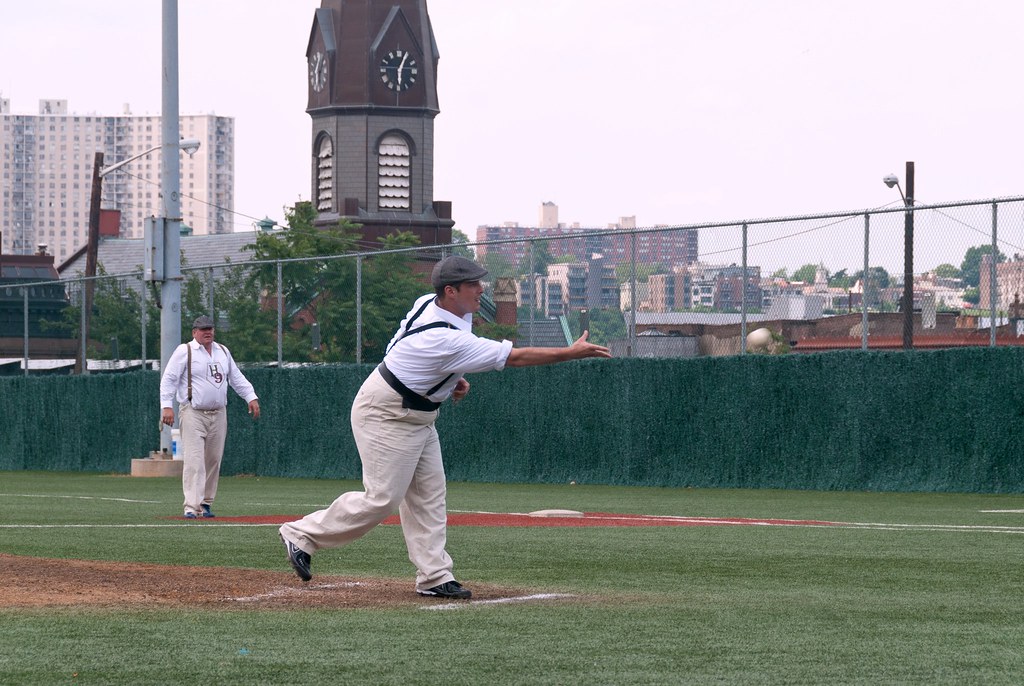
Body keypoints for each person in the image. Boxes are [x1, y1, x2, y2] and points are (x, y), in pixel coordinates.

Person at [279, 256, 611, 599]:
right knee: (382, 499)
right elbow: (515, 357)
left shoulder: (432, 305)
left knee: (430, 499)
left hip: (419, 413)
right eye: (473, 285)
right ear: (450, 291)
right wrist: (570, 352)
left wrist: (448, 377)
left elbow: (398, 345)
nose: (480, 289)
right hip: (386, 412)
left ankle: (434, 576)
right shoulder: (445, 336)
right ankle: (300, 534)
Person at [160, 315, 260, 519]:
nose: (208, 332)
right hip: (193, 412)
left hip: (219, 413)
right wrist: (167, 406)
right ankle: (191, 506)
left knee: (213, 459)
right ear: (194, 332)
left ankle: (205, 503)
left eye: (210, 328)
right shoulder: (184, 351)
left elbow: (236, 377)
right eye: (203, 329)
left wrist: (251, 396)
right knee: (194, 460)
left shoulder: (222, 351)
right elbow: (169, 379)